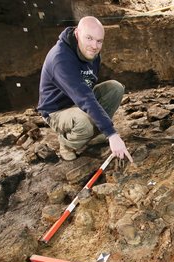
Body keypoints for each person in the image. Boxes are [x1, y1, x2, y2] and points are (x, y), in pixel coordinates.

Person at [38, 16, 133, 162]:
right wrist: (112, 134)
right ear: (77, 34)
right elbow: (84, 97)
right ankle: (66, 144)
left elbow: (88, 87)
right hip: (56, 110)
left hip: (77, 100)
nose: (94, 46)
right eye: (89, 38)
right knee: (83, 122)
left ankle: (93, 134)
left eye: (99, 41)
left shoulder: (92, 53)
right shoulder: (61, 59)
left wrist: (102, 125)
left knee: (115, 88)